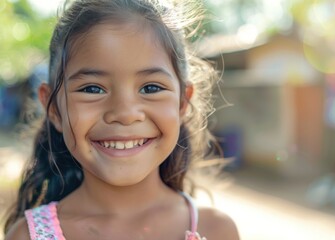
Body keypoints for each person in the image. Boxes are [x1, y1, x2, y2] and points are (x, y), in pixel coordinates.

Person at [4, 0, 240, 239]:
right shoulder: (28, 235)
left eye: (150, 88)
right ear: (54, 109)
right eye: (93, 89)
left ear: (182, 103)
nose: (125, 114)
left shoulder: (216, 230)